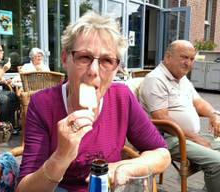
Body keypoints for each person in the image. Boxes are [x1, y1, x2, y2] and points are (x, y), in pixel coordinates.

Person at [16, 12, 171, 192]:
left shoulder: (122, 98)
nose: (94, 71)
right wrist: (61, 157)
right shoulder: (43, 103)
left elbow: (162, 153)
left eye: (107, 60)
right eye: (84, 57)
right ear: (65, 59)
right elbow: (24, 189)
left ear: (116, 68)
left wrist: (127, 168)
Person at [139, 40, 220, 192]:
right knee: (218, 162)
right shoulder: (155, 80)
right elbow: (162, 120)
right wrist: (197, 139)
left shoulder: (182, 79)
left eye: (191, 59)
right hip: (168, 138)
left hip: (189, 136)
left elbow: (199, 102)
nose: (188, 63)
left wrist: (213, 114)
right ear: (168, 57)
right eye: (184, 57)